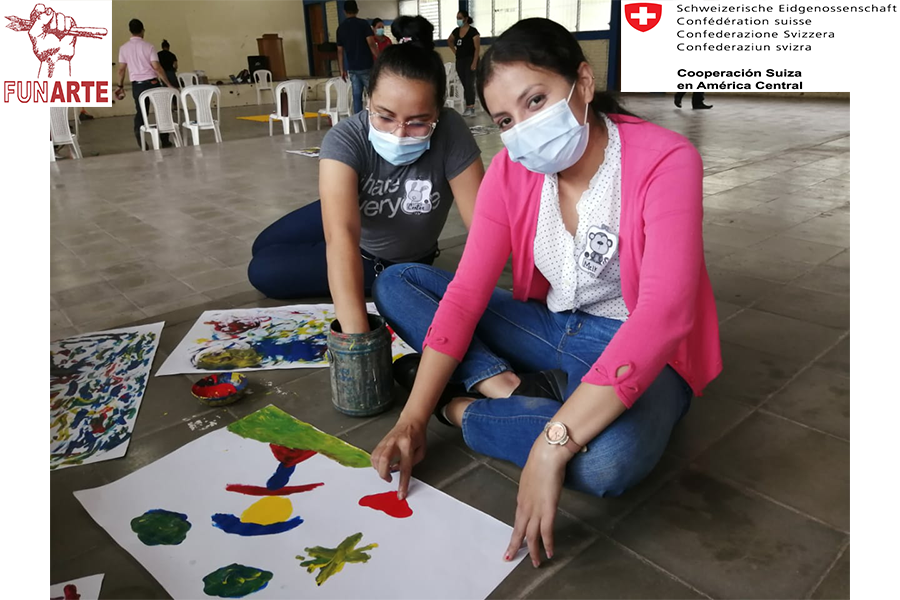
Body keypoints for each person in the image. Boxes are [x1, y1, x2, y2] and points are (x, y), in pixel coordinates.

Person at [369, 18, 722, 567]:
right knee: (399, 281)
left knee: (607, 462)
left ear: (582, 82)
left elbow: (665, 313)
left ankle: (461, 408)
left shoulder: (665, 159)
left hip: (638, 346)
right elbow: (465, 294)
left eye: (536, 100)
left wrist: (552, 446)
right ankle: (503, 383)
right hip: (552, 326)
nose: (524, 129)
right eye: (506, 120)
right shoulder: (511, 171)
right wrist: (408, 421)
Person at [248, 15, 485, 331]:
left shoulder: (451, 130)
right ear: (368, 99)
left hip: (378, 257)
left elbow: (483, 227)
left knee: (264, 270)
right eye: (385, 117)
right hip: (355, 211)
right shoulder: (347, 136)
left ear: (438, 112)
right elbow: (341, 235)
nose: (399, 133)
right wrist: (357, 340)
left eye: (418, 122)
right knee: (264, 243)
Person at [115, 19, 176, 149]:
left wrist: (120, 86)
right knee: (161, 110)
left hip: (138, 86)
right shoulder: (149, 47)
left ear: (130, 31)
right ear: (142, 30)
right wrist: (168, 84)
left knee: (141, 111)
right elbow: (157, 67)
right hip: (153, 83)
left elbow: (121, 70)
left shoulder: (123, 48)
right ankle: (164, 140)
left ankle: (140, 136)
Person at [337, 1, 377, 114]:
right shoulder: (363, 24)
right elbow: (371, 43)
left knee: (356, 96)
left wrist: (342, 69)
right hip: (366, 66)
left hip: (352, 67)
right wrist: (380, 58)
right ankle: (375, 116)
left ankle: (357, 118)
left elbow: (340, 51)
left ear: (344, 12)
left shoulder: (341, 28)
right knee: (373, 94)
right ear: (357, 10)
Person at [448, 10, 480, 117]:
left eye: (460, 18)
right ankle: (468, 106)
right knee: (465, 84)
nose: (458, 20)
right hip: (460, 60)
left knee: (469, 84)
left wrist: (474, 62)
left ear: (466, 19)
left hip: (470, 60)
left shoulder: (473, 32)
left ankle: (471, 107)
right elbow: (449, 41)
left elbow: (477, 49)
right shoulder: (456, 31)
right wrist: (455, 51)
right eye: (457, 18)